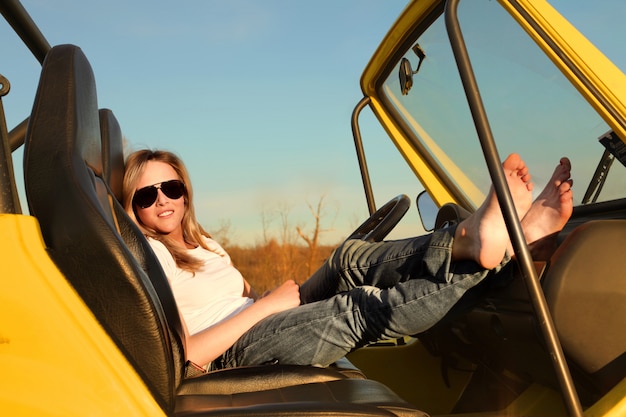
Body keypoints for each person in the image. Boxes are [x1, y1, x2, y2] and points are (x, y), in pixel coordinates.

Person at [122, 150, 573, 370]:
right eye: (147, 194)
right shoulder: (149, 257)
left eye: (172, 187)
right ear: (131, 207)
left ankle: (484, 240)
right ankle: (498, 245)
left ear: (186, 192)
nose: (163, 200)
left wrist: (265, 301)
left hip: (256, 321)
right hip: (229, 356)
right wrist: (265, 307)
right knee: (353, 307)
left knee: (347, 260)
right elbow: (184, 357)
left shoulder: (201, 243)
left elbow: (231, 301)